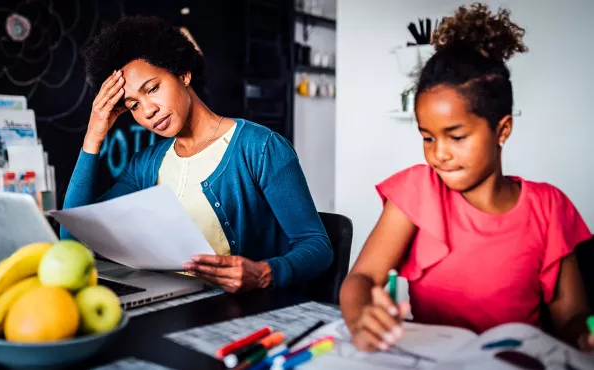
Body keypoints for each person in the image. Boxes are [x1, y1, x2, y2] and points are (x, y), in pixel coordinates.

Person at [340, 3, 593, 352]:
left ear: (502, 129)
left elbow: (572, 316)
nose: (438, 153)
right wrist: (361, 317)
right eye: (427, 137)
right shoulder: (418, 192)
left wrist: (585, 335)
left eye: (456, 137)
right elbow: (361, 278)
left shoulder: (548, 207)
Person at [61, 15, 332, 293]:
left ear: (183, 74)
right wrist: (94, 133)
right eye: (133, 105)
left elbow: (318, 246)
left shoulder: (260, 148)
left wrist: (264, 273)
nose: (148, 110)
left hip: (242, 314)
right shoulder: (145, 165)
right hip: (170, 310)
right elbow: (72, 239)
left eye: (153, 89)